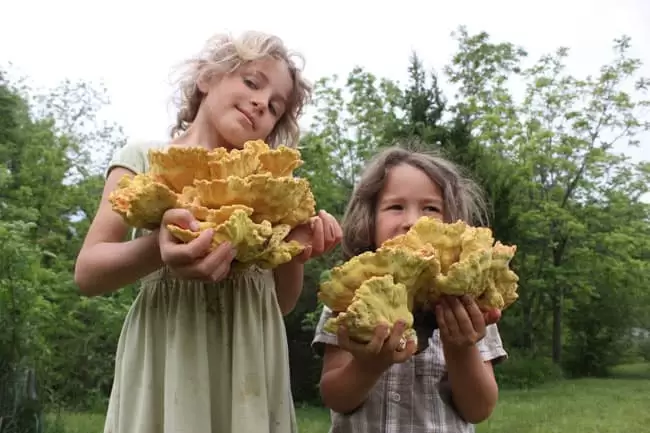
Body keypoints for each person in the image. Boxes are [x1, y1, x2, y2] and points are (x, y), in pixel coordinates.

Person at [74, 31, 342, 433]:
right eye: (252, 82)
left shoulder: (272, 185)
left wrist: (294, 254)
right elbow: (88, 272)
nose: (260, 103)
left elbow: (280, 303)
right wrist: (158, 248)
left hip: (250, 357)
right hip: (169, 351)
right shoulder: (143, 159)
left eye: (274, 107)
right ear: (206, 78)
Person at [312, 146, 507, 433]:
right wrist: (367, 367)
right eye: (395, 207)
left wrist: (461, 348)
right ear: (369, 220)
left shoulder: (471, 301)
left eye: (431, 208)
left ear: (454, 226)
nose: (412, 221)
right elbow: (334, 396)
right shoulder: (351, 296)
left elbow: (478, 409)